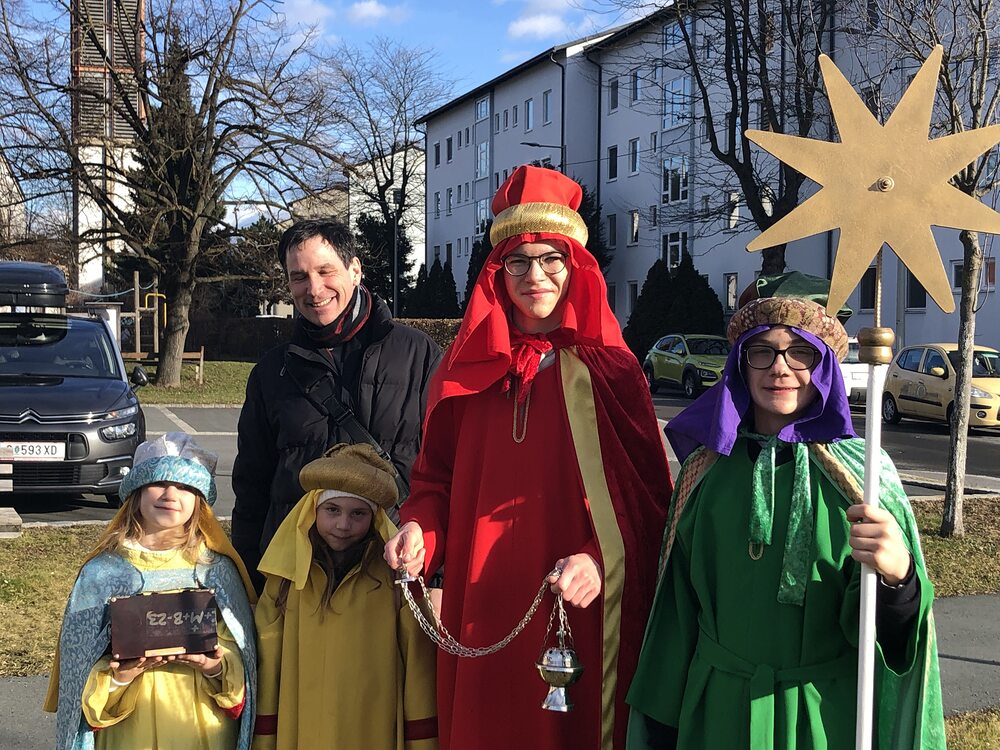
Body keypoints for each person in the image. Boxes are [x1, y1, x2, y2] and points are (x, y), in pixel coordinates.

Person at [384, 165, 672, 750]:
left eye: (550, 259)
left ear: (575, 266)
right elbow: (434, 481)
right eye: (517, 261)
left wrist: (600, 558)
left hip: (573, 602)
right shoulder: (463, 371)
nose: (534, 276)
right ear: (497, 271)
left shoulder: (613, 371)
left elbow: (647, 503)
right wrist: (418, 531)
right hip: (479, 601)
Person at [626, 295, 946, 749]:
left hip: (823, 720)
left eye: (801, 353)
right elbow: (674, 618)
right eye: (763, 351)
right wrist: (660, 731)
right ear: (741, 365)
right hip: (718, 716)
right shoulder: (704, 474)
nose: (780, 368)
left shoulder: (863, 479)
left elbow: (886, 642)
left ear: (824, 368)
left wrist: (899, 579)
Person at [232, 217, 441, 590]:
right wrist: (249, 587)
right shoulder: (271, 372)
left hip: (391, 572)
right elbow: (252, 489)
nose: (314, 289)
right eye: (299, 277)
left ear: (355, 270)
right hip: (298, 580)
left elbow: (445, 471)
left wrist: (438, 575)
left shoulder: (418, 355)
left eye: (325, 271)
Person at [45, 432, 258, 750]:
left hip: (201, 727)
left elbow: (241, 657)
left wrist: (214, 665)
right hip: (128, 728)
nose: (171, 495)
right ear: (136, 493)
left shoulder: (215, 571)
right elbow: (79, 669)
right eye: (158, 483)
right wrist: (120, 676)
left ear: (199, 502)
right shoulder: (102, 573)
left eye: (185, 487)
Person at [252, 442, 438, 750]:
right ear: (312, 510)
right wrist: (264, 737)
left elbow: (419, 666)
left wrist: (423, 741)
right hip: (301, 727)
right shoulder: (287, 579)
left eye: (358, 513)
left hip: (370, 729)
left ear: (374, 517)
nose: (343, 524)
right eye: (332, 510)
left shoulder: (396, 580)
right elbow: (267, 661)